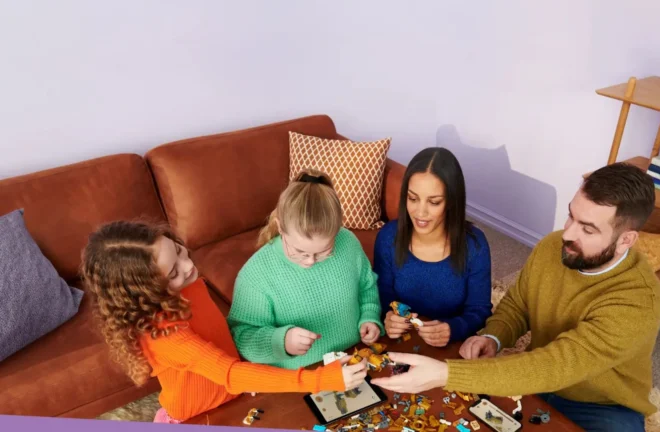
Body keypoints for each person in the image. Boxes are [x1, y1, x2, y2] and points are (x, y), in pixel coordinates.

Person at [372, 162, 660, 432]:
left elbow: (556, 365)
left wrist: (447, 374)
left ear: (626, 239)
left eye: (587, 229)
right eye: (571, 216)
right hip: (538, 384)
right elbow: (519, 304)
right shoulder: (554, 246)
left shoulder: (638, 301)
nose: (567, 234)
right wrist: (494, 337)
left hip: (602, 406)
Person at [81, 221, 367, 424]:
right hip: (196, 416)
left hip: (233, 393)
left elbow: (219, 335)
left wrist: (249, 373)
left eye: (178, 251)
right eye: (172, 273)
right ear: (146, 291)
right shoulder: (166, 336)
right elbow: (228, 372)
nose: (188, 265)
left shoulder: (189, 287)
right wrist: (320, 379)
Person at [228, 169, 383, 370]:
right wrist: (281, 341)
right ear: (280, 227)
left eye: (324, 251)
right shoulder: (255, 275)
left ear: (338, 231)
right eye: (300, 251)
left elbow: (366, 286)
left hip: (357, 357)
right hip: (302, 376)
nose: (310, 261)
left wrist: (369, 317)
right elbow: (242, 335)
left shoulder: (349, 242)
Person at [374, 147, 492, 347]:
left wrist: (453, 328)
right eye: (412, 198)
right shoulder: (388, 237)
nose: (420, 212)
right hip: (401, 343)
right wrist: (388, 317)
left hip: (450, 346)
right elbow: (381, 295)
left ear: (451, 202)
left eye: (434, 202)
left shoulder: (475, 245)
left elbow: (479, 310)